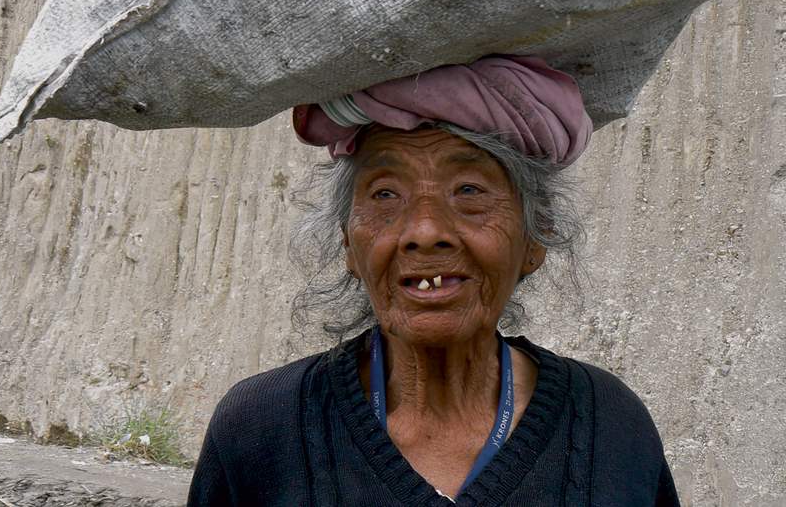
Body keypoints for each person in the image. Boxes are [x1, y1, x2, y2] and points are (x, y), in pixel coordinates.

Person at [187, 55, 680, 506]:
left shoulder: (610, 425)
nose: (424, 233)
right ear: (348, 246)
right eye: (384, 194)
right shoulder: (260, 427)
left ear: (536, 238)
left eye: (469, 190)